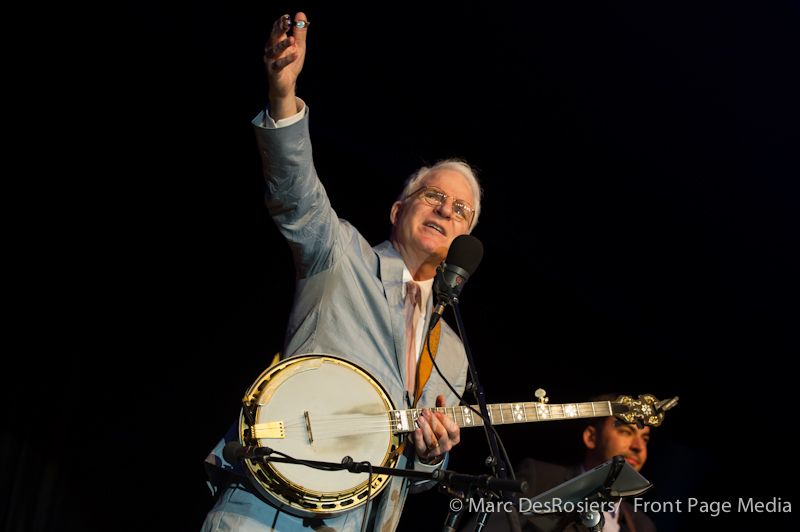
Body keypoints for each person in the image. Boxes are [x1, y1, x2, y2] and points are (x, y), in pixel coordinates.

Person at [201, 12, 483, 532]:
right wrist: (283, 96)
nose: (446, 211)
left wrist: (433, 453)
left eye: (460, 210)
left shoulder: (453, 351)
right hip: (270, 508)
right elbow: (296, 195)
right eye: (433, 196)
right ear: (398, 211)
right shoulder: (342, 254)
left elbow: (416, 475)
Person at [472, 394, 656, 532]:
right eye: (626, 432)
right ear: (591, 437)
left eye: (645, 439)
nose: (638, 446)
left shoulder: (642, 525)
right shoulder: (539, 478)